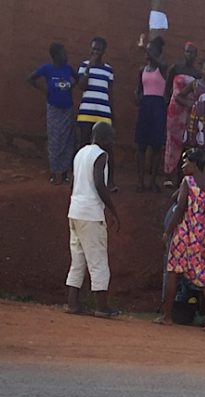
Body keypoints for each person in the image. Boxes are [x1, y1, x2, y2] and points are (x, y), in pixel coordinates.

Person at [155, 148, 205, 331]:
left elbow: (179, 210)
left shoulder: (188, 182)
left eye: (186, 162)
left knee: (173, 272)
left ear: (195, 164)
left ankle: (167, 316)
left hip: (185, 234)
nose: (183, 165)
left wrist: (167, 232)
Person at [65, 122, 120, 317]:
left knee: (78, 259)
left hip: (75, 210)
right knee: (98, 260)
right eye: (111, 139)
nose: (112, 143)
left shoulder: (80, 153)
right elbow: (99, 183)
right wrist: (113, 211)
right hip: (90, 214)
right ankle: (102, 307)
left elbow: (72, 182)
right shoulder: (101, 155)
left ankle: (72, 303)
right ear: (104, 138)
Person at [28, 42, 77, 185]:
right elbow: (30, 78)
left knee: (67, 140)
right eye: (63, 53)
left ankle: (64, 174)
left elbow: (78, 80)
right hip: (54, 109)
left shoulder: (68, 69)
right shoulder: (47, 69)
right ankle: (54, 172)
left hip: (67, 109)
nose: (66, 55)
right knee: (55, 140)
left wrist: (70, 88)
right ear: (55, 55)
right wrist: (45, 91)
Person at [77, 37, 117, 191]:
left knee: (108, 148)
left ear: (104, 51)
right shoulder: (84, 66)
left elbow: (110, 93)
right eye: (93, 49)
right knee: (84, 146)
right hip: (86, 112)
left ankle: (110, 181)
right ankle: (81, 180)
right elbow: (81, 86)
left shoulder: (108, 69)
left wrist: (113, 114)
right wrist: (88, 69)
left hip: (103, 113)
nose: (95, 52)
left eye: (98, 49)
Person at [163, 41, 200, 188]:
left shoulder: (197, 74)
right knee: (172, 142)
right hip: (175, 111)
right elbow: (167, 91)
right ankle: (169, 175)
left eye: (192, 52)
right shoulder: (175, 68)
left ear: (196, 55)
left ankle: (182, 177)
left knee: (187, 143)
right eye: (187, 51)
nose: (189, 55)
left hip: (190, 111)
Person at [135, 37, 168, 193]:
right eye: (147, 50)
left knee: (156, 146)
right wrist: (138, 97)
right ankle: (141, 180)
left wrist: (144, 48)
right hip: (145, 105)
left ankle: (153, 181)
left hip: (158, 106)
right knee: (141, 145)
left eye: (151, 50)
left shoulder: (162, 67)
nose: (148, 54)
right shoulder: (142, 69)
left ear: (158, 52)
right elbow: (138, 89)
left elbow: (160, 64)